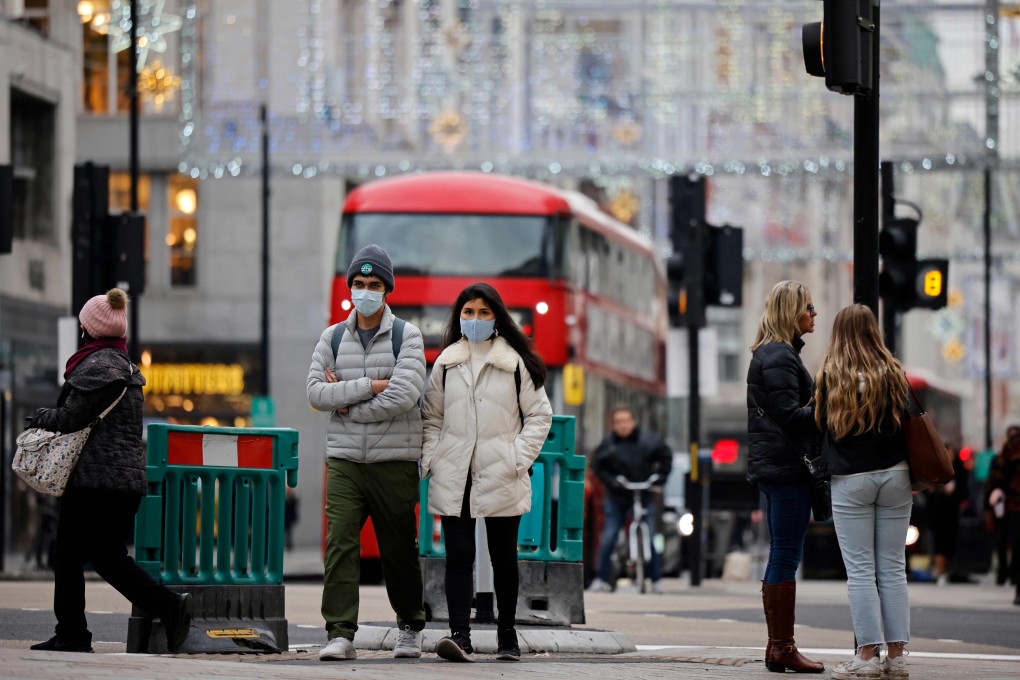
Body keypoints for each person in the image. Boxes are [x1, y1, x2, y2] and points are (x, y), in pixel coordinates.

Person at [28, 288, 193, 653]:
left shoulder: (95, 367)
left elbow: (71, 418)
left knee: (69, 556)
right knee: (109, 558)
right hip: (125, 482)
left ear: (88, 329)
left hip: (94, 480)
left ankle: (73, 633)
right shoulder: (127, 368)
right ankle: (168, 605)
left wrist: (41, 417)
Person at [307, 244, 427, 661]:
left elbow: (404, 396)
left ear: (387, 290)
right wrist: (368, 386)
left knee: (398, 549)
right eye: (359, 284)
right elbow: (315, 392)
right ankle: (340, 632)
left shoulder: (406, 336)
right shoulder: (333, 337)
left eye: (374, 285)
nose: (365, 291)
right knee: (340, 543)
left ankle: (411, 625)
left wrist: (346, 402)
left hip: (394, 461)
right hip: (344, 462)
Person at [421, 282, 552, 663]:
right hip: (454, 470)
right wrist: (433, 456)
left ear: (496, 317)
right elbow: (432, 418)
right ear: (458, 317)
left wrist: (517, 458)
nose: (475, 319)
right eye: (468, 312)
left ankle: (507, 636)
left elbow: (540, 415)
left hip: (501, 470)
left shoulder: (514, 363)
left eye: (483, 312)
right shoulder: (446, 361)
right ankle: (459, 636)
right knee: (458, 555)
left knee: (502, 557)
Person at [816, 304, 913, 679]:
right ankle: (898, 654)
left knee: (859, 571)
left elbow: (820, 425)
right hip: (895, 475)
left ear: (839, 333)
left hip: (851, 478)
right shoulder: (892, 372)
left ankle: (868, 655)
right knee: (892, 567)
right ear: (873, 330)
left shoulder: (830, 375)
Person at [745, 280, 823, 674]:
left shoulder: (777, 354)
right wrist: (828, 403)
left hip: (779, 467)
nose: (814, 314)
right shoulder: (778, 356)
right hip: (786, 469)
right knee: (786, 554)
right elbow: (790, 416)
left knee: (784, 552)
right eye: (808, 307)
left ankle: (779, 647)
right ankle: (782, 647)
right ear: (791, 311)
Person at [587, 405, 672, 594]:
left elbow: (666, 457)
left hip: (643, 494)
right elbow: (597, 467)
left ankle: (656, 580)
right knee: (609, 535)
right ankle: (600, 578)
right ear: (613, 425)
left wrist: (660, 477)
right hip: (617, 496)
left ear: (633, 422)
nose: (622, 425)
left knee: (649, 535)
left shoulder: (649, 441)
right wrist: (612, 482)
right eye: (618, 422)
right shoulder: (608, 444)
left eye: (626, 421)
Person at [985, 427, 1020, 606]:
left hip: (1013, 504)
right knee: (1014, 544)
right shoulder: (1011, 448)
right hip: (1014, 505)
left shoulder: (1010, 448)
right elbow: (999, 475)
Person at [926, 444, 969, 586]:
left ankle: (947, 570)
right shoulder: (935, 468)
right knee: (939, 542)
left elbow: (964, 491)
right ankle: (941, 572)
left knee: (950, 543)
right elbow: (927, 489)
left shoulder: (959, 470)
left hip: (952, 511)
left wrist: (954, 492)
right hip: (937, 512)